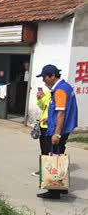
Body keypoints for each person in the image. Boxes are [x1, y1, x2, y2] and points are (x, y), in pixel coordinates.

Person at [36, 64, 78, 200]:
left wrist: (56, 134)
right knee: (59, 157)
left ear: (53, 76)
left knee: (53, 159)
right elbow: (61, 111)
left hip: (58, 131)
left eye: (45, 77)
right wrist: (50, 118)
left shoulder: (59, 90)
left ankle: (54, 192)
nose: (44, 81)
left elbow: (61, 113)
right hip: (65, 128)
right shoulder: (66, 87)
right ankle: (62, 186)